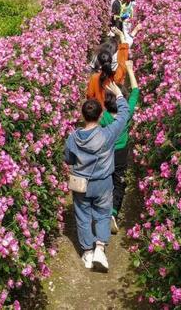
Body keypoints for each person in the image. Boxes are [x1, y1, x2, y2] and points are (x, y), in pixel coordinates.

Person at [64, 82, 130, 272]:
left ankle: (87, 252)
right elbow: (124, 116)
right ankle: (100, 248)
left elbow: (68, 159)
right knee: (102, 215)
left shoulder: (73, 138)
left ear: (83, 116)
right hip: (103, 183)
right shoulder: (107, 134)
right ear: (101, 115)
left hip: (81, 185)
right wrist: (118, 95)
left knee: (83, 216)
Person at [100, 60, 139, 234]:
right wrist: (130, 70)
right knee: (119, 180)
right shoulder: (126, 113)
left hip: (105, 152)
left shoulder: (104, 117)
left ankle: (102, 209)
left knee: (106, 179)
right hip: (121, 152)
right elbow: (136, 92)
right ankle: (113, 212)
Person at [86, 27, 130, 107]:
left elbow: (89, 96)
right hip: (115, 111)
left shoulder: (94, 77)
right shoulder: (118, 74)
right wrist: (121, 35)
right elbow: (124, 52)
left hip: (100, 113)